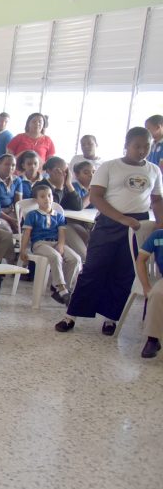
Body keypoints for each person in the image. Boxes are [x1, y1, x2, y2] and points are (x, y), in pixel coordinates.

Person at [56, 127, 163, 335]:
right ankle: (71, 315)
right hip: (109, 222)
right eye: (137, 146)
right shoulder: (110, 166)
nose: (141, 150)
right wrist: (121, 218)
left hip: (137, 225)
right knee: (93, 269)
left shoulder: (154, 170)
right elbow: (96, 197)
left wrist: (160, 224)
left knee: (124, 273)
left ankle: (111, 318)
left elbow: (157, 200)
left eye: (146, 147)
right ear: (126, 145)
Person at [19, 185, 80, 305]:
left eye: (49, 195)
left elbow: (62, 233)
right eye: (42, 196)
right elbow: (26, 234)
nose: (47, 199)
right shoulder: (33, 215)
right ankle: (62, 289)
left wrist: (61, 245)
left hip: (56, 243)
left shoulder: (59, 216)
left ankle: (63, 289)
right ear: (37, 200)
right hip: (40, 244)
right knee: (55, 256)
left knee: (76, 259)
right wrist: (23, 249)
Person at [135, 228, 163, 357]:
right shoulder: (158, 235)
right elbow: (140, 260)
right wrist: (146, 286)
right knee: (157, 293)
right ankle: (152, 340)